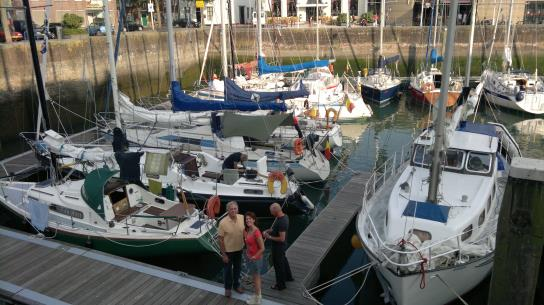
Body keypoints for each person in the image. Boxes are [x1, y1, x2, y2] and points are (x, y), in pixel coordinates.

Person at [263, 203, 293, 290]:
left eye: (271, 211)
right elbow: (276, 229)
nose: (270, 212)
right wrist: (268, 231)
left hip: (279, 247)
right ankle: (288, 277)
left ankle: (280, 285)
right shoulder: (284, 217)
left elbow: (282, 238)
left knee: (278, 265)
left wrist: (269, 237)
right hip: (282, 246)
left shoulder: (282, 222)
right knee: (284, 260)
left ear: (275, 211)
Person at [218, 201, 245, 297]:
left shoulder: (242, 217)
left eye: (235, 208)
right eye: (231, 209)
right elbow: (220, 240)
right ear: (227, 210)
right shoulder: (222, 223)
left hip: (239, 249)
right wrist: (224, 254)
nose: (233, 210)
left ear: (237, 209)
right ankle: (228, 288)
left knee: (238, 268)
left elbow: (245, 231)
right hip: (228, 251)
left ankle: (236, 285)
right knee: (227, 270)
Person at [244, 212, 265, 305]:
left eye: (250, 218)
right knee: (255, 278)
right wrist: (247, 253)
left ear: (254, 220)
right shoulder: (248, 230)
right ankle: (256, 295)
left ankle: (258, 299)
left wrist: (254, 256)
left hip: (256, 259)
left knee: (256, 279)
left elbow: (262, 248)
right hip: (250, 257)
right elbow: (248, 244)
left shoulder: (256, 232)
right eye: (246, 219)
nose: (248, 220)